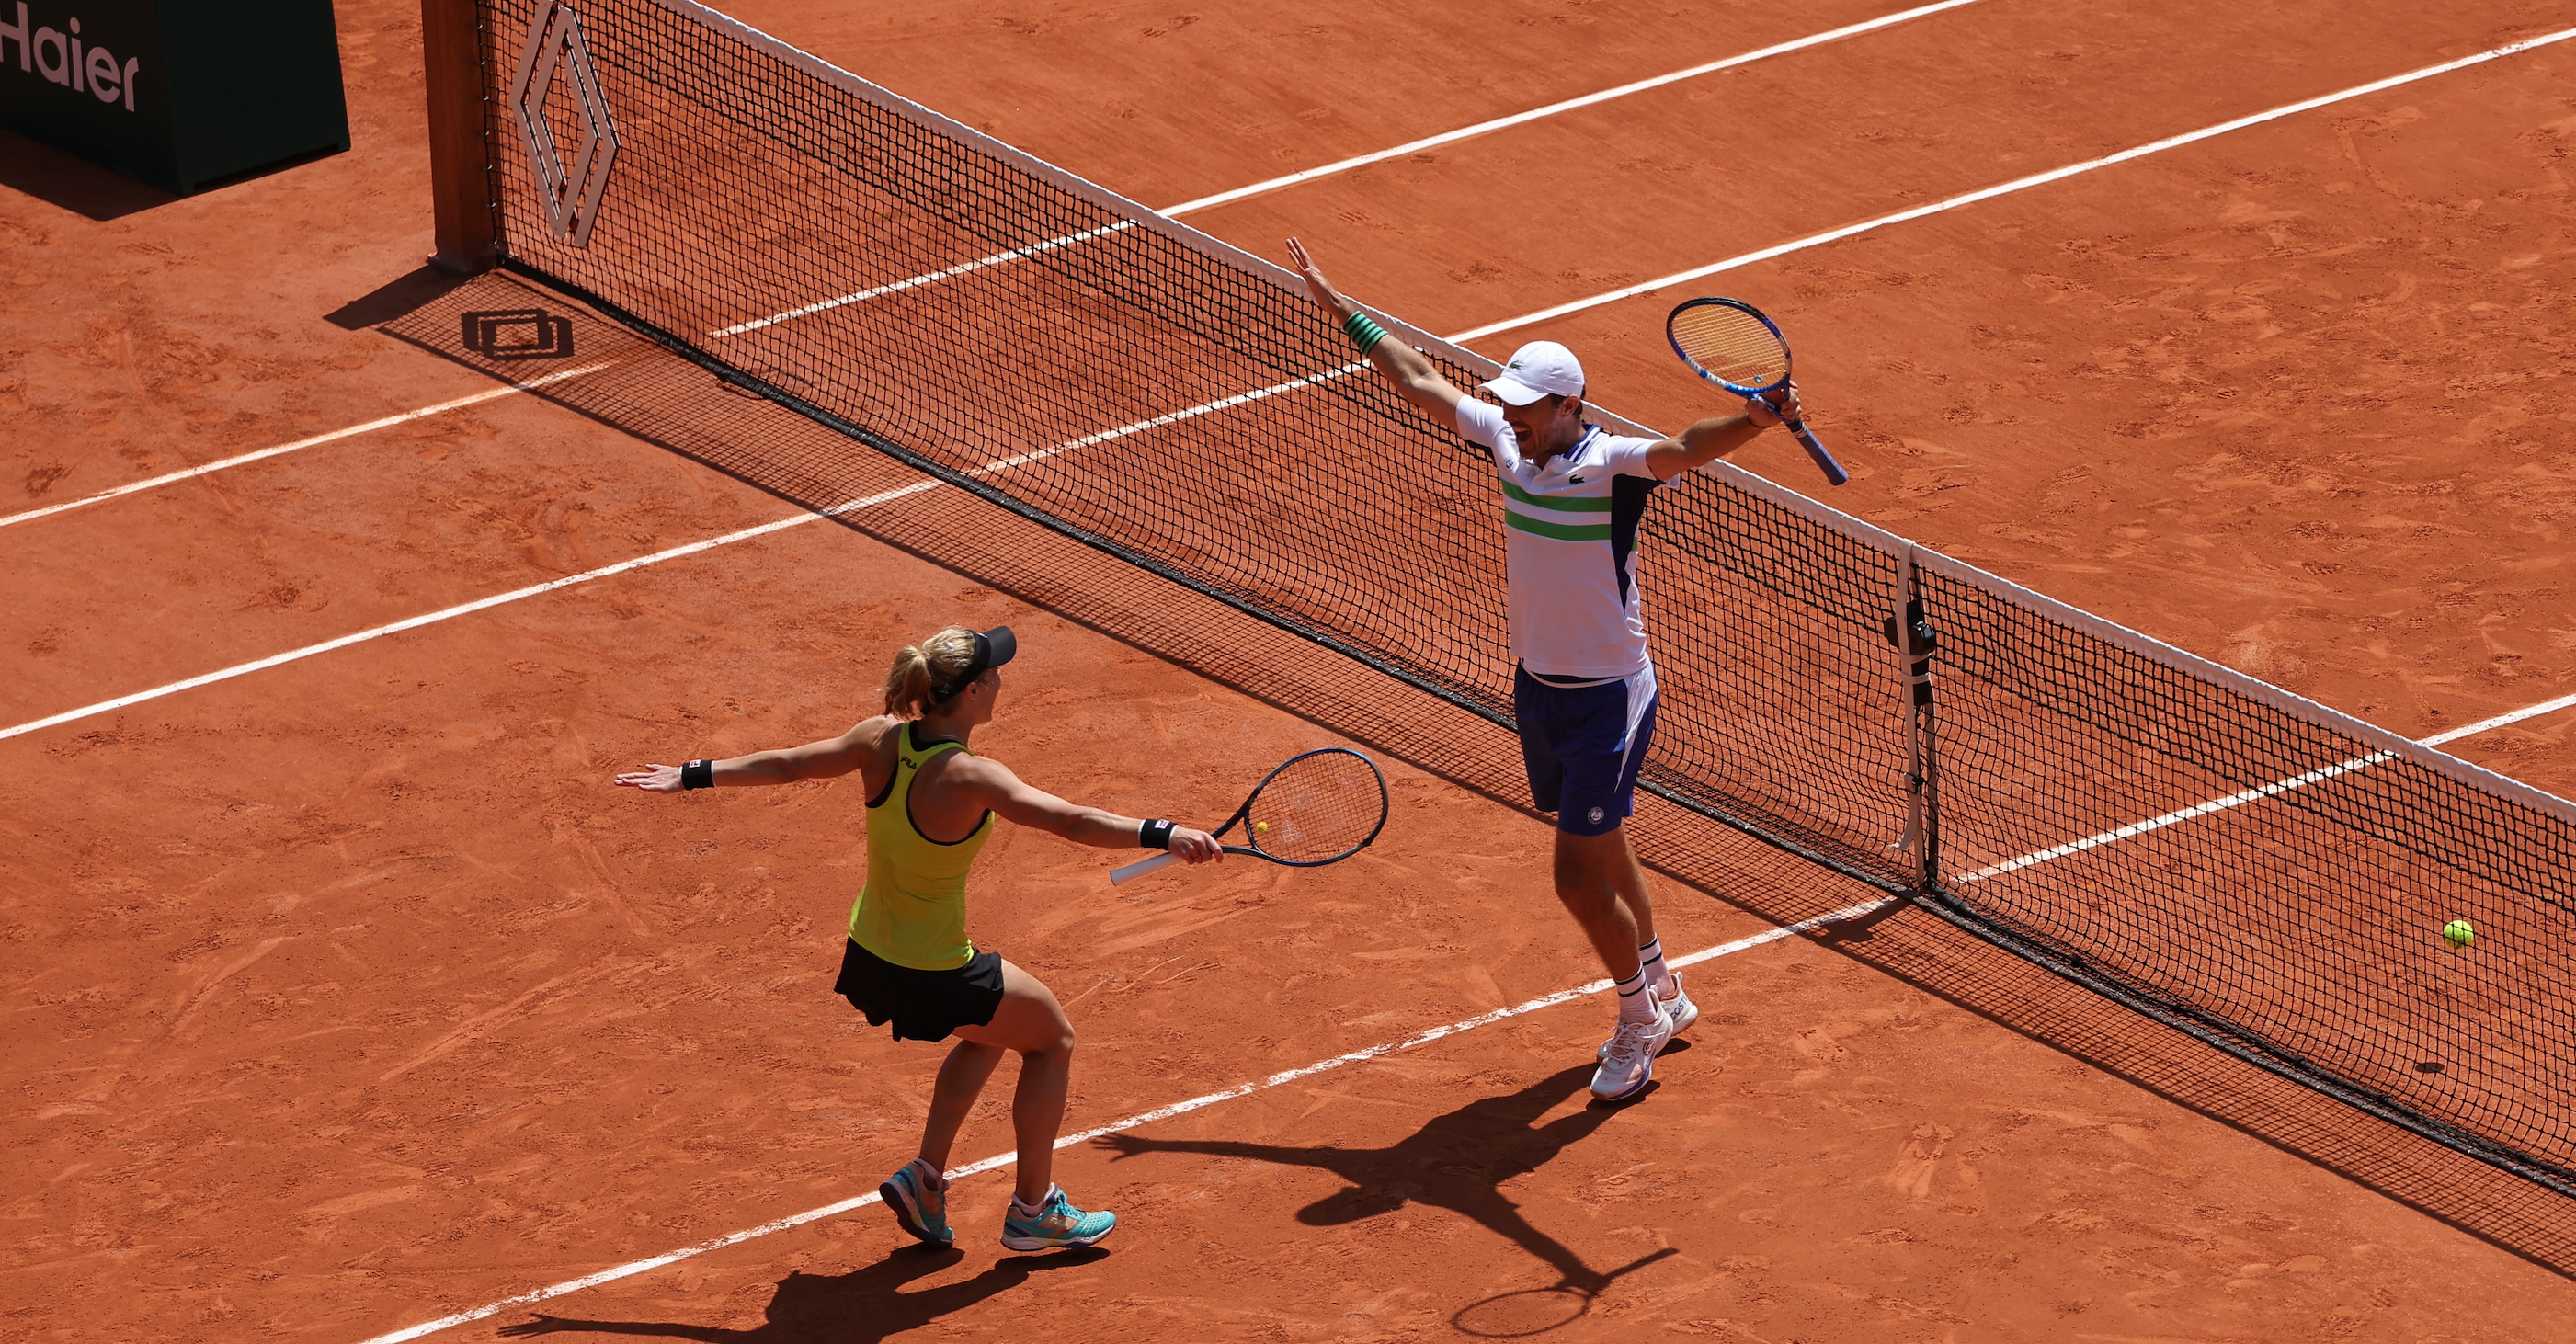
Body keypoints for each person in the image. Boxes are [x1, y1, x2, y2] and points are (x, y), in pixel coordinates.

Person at [1286, 238, 1802, 1102]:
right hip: (1537, 687)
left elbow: (1681, 447)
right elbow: (1418, 379)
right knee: (1606, 845)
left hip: (1608, 696)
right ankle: (1665, 990)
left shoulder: (1608, 465)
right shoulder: (1503, 439)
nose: (1511, 415)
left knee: (1574, 876)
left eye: (1529, 407)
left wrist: (1755, 420)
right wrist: (1340, 304)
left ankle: (1636, 1018)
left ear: (1569, 405)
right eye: (1509, 404)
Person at [617, 625, 1222, 1252]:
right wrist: (1163, 832)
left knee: (992, 1030)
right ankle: (1034, 1211)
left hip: (869, 956)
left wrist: (691, 774)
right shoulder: (971, 776)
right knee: (1052, 1039)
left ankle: (924, 1181)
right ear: (973, 692)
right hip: (930, 969)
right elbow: (1070, 820)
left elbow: (790, 763)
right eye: (994, 672)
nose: (1003, 679)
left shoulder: (877, 738)